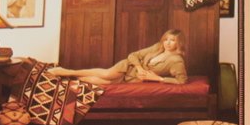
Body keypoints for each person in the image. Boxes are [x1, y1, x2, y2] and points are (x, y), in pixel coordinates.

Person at [51, 29, 188, 86]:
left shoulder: (176, 61)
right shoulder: (158, 47)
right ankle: (67, 72)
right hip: (129, 66)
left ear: (179, 43)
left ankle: (70, 80)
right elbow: (133, 55)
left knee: (105, 82)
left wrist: (158, 79)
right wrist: (139, 67)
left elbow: (182, 81)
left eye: (172, 40)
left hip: (135, 78)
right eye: (166, 39)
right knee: (107, 74)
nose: (167, 43)